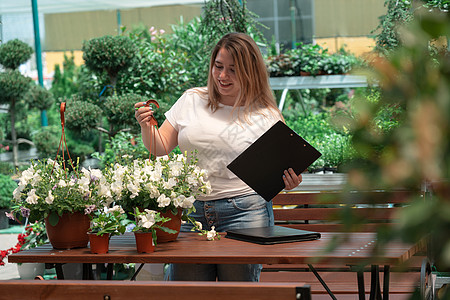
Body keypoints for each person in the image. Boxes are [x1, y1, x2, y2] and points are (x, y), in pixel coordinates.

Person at [134, 32, 302, 281]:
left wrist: (290, 180)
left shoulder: (266, 115)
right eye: (218, 66)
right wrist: (146, 126)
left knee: (238, 295)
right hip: (191, 213)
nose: (223, 76)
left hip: (245, 212)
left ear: (250, 71)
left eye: (233, 70)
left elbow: (284, 168)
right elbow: (159, 147)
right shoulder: (192, 99)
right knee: (187, 294)